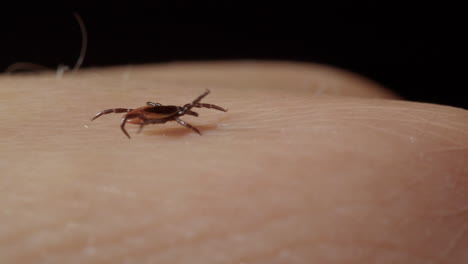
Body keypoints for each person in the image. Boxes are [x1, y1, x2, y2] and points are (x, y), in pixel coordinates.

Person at [1, 61, 467, 263]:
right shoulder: (167, 114)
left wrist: (179, 118)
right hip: (157, 115)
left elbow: (176, 112)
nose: (194, 111)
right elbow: (166, 113)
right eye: (197, 110)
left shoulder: (173, 113)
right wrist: (154, 121)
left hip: (159, 115)